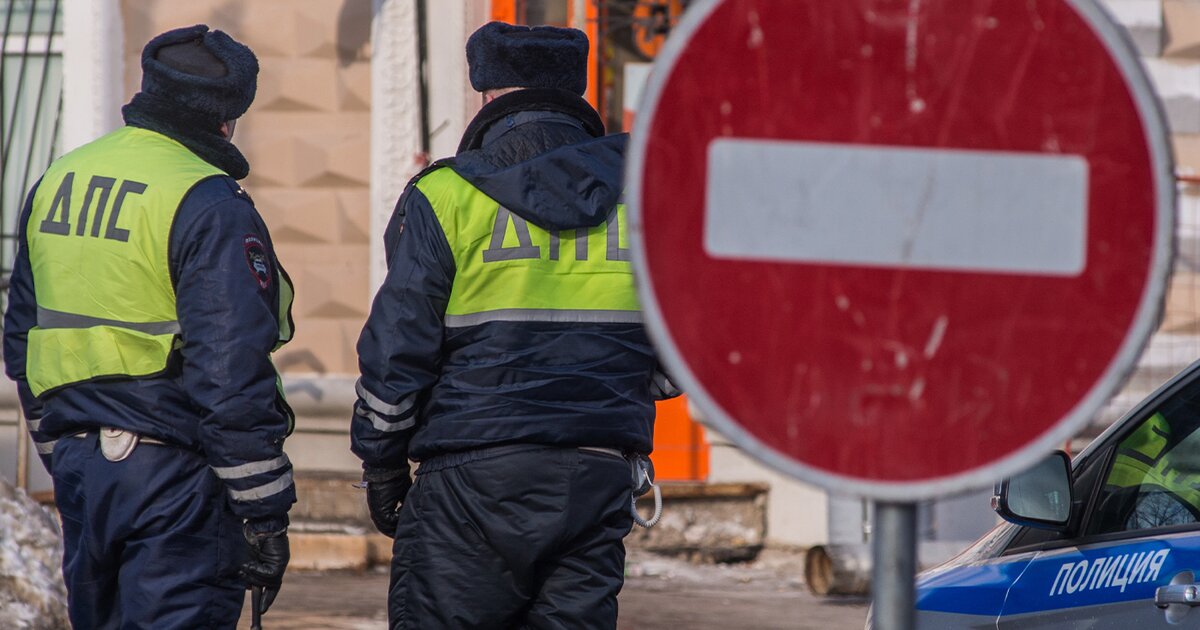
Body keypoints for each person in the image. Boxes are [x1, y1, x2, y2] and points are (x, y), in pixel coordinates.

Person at [351, 20, 680, 630]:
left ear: (488, 96)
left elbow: (397, 354)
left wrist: (382, 466)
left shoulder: (446, 195)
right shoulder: (649, 193)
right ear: (575, 94)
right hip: (598, 471)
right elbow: (689, 342)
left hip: (471, 480)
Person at [3, 25, 295, 628]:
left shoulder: (59, 178)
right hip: (176, 480)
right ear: (225, 118)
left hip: (85, 471)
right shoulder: (208, 201)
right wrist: (264, 504)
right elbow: (229, 369)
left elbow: (23, 337)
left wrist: (62, 452)